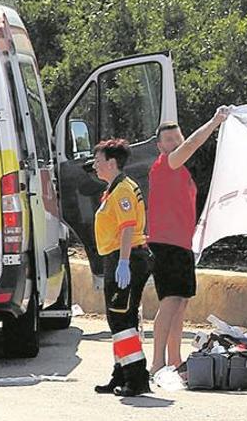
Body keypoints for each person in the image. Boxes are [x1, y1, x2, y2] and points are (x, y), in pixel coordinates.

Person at [148, 106, 232, 375]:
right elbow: (195, 143)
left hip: (182, 243)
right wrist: (215, 120)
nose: (175, 142)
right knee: (170, 301)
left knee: (181, 302)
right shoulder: (166, 164)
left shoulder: (181, 171)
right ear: (160, 145)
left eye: (177, 137)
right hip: (166, 243)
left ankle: (174, 359)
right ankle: (157, 362)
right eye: (169, 139)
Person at [91, 139, 153, 397]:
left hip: (125, 258)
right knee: (119, 319)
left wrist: (124, 262)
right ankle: (121, 373)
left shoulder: (123, 190)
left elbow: (128, 227)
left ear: (112, 163)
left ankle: (136, 378)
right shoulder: (114, 188)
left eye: (98, 160)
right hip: (118, 257)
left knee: (122, 320)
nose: (94, 165)